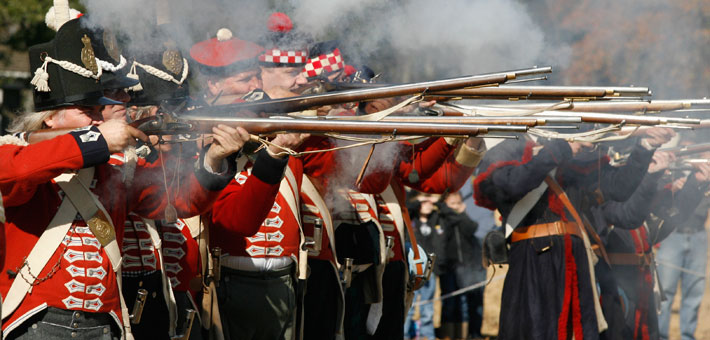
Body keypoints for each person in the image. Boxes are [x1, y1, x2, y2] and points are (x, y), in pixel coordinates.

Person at [0, 17, 246, 340]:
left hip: (106, 325)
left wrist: (214, 159)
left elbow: (180, 199)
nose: (97, 118)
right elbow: (14, 171)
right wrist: (97, 140)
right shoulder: (19, 152)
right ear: (50, 119)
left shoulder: (112, 174)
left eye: (97, 109)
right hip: (36, 322)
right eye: (86, 109)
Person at [473, 127, 673, 340]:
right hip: (533, 259)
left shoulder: (574, 153)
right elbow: (512, 185)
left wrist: (645, 147)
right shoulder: (510, 147)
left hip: (576, 260)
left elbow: (619, 188)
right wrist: (560, 148)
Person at [656, 138, 710, 340]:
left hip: (698, 234)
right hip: (673, 235)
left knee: (694, 293)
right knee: (665, 293)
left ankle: (688, 336)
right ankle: (661, 336)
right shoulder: (673, 172)